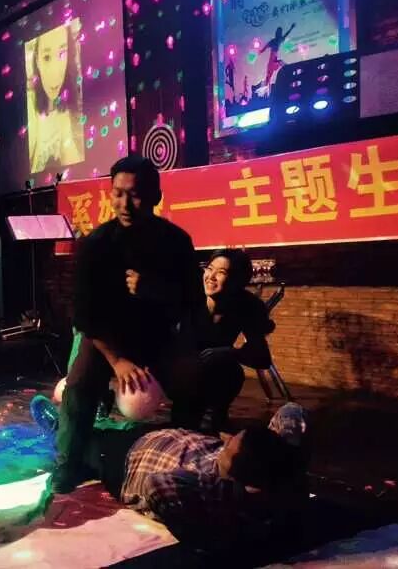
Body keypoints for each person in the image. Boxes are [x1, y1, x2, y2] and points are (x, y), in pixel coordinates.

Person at [53, 157, 205, 493]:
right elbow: (84, 315)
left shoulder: (176, 242)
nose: (124, 204)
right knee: (79, 385)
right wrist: (117, 361)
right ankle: (69, 463)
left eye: (134, 195)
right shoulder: (95, 245)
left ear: (155, 196)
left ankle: (184, 457)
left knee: (192, 378)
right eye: (118, 194)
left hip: (157, 337)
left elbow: (193, 301)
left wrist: (154, 290)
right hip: (107, 340)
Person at [71, 402, 309, 550]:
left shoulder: (211, 494)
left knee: (79, 442)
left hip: (126, 461)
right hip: (163, 435)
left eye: (227, 449)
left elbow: (158, 483)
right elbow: (292, 410)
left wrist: (242, 494)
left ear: (237, 480)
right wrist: (290, 455)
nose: (225, 441)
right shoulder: (272, 458)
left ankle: (69, 431)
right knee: (107, 429)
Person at [197, 249, 275, 430]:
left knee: (232, 371)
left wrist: (229, 352)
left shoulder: (247, 305)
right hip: (177, 365)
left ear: (237, 281)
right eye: (209, 269)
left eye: (221, 272)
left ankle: (213, 422)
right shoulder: (188, 297)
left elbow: (262, 357)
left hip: (213, 371)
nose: (211, 277)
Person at [28, 23, 84, 174]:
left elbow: (72, 160)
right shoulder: (30, 104)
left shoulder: (67, 107)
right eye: (46, 57)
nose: (55, 72)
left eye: (62, 54)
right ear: (37, 61)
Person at [259, 23, 295, 90]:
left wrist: (291, 28)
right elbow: (265, 47)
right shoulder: (274, 41)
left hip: (274, 59)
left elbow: (286, 35)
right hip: (272, 60)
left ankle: (265, 87)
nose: (279, 34)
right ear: (277, 33)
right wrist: (261, 51)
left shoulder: (279, 40)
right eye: (278, 32)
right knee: (268, 77)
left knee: (269, 76)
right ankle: (264, 88)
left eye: (280, 33)